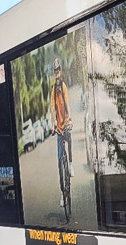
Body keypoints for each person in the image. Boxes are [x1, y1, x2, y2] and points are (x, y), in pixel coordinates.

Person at [51, 58, 73, 186]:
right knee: (59, 158)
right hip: (59, 127)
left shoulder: (63, 86)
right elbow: (52, 109)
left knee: (69, 139)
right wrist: (52, 125)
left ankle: (70, 164)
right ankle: (62, 191)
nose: (57, 73)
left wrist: (69, 119)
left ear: (61, 71)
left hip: (65, 123)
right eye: (55, 71)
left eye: (58, 71)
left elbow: (67, 104)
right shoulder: (53, 91)